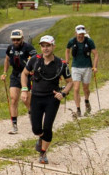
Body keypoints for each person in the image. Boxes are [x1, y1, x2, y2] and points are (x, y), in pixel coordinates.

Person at [21, 35, 72, 164]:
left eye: (48, 45)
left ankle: (43, 153)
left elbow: (70, 82)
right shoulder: (34, 60)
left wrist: (63, 93)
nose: (45, 48)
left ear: (53, 46)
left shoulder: (61, 64)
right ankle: (41, 138)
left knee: (48, 127)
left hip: (52, 99)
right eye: (43, 46)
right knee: (36, 129)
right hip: (36, 97)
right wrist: (24, 89)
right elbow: (24, 74)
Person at [0, 29, 37, 134]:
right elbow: (7, 59)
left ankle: (33, 117)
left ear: (22, 38)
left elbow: (36, 59)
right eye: (14, 40)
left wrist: (33, 70)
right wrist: (4, 72)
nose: (15, 41)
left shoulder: (29, 48)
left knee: (26, 100)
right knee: (13, 99)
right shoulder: (10, 48)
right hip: (15, 75)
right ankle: (14, 126)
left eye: (18, 39)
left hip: (26, 75)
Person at [65, 24, 98, 117]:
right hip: (75, 67)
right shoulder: (72, 41)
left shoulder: (89, 41)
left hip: (87, 67)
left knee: (85, 89)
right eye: (79, 34)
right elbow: (67, 50)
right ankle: (78, 109)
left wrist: (95, 66)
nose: (81, 35)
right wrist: (67, 61)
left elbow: (96, 54)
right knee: (76, 88)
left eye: (82, 34)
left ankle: (86, 101)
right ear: (75, 33)